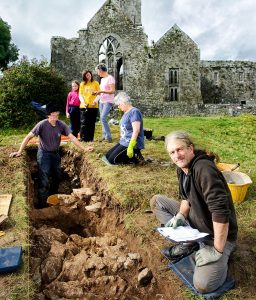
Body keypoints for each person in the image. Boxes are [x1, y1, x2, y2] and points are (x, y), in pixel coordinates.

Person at [150, 131, 238, 294]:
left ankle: (218, 252)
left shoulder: (204, 169)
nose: (177, 155)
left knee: (203, 285)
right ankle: (190, 243)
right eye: (172, 152)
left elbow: (220, 212)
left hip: (217, 235)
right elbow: (186, 198)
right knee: (157, 201)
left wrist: (217, 250)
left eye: (180, 149)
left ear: (190, 148)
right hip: (198, 223)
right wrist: (181, 216)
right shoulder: (182, 168)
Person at [10, 103, 93, 209]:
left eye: (57, 114)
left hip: (55, 154)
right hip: (44, 155)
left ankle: (52, 196)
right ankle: (42, 204)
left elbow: (72, 137)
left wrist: (84, 148)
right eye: (53, 114)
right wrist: (19, 151)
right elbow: (28, 137)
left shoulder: (61, 124)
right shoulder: (42, 125)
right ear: (48, 115)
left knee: (58, 177)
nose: (56, 117)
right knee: (44, 179)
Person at [104, 92, 144, 165]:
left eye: (118, 105)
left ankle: (135, 158)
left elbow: (136, 130)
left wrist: (131, 146)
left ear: (123, 102)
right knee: (107, 156)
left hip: (130, 143)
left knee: (113, 161)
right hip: (123, 141)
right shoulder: (126, 112)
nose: (118, 107)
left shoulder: (134, 112)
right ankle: (132, 157)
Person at [93, 63, 115, 143]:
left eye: (98, 72)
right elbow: (102, 92)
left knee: (102, 118)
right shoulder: (102, 80)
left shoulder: (110, 78)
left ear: (101, 70)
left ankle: (109, 137)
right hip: (101, 101)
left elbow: (112, 91)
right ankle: (104, 136)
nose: (97, 73)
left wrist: (101, 91)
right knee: (103, 119)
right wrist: (97, 93)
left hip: (108, 101)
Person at [79, 70, 100, 142]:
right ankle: (83, 139)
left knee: (91, 123)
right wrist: (83, 102)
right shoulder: (82, 84)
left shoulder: (96, 83)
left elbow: (99, 94)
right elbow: (80, 95)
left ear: (91, 74)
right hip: (84, 106)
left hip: (94, 107)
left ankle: (90, 139)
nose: (88, 76)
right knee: (83, 123)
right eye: (86, 75)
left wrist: (95, 101)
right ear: (84, 76)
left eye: (89, 74)